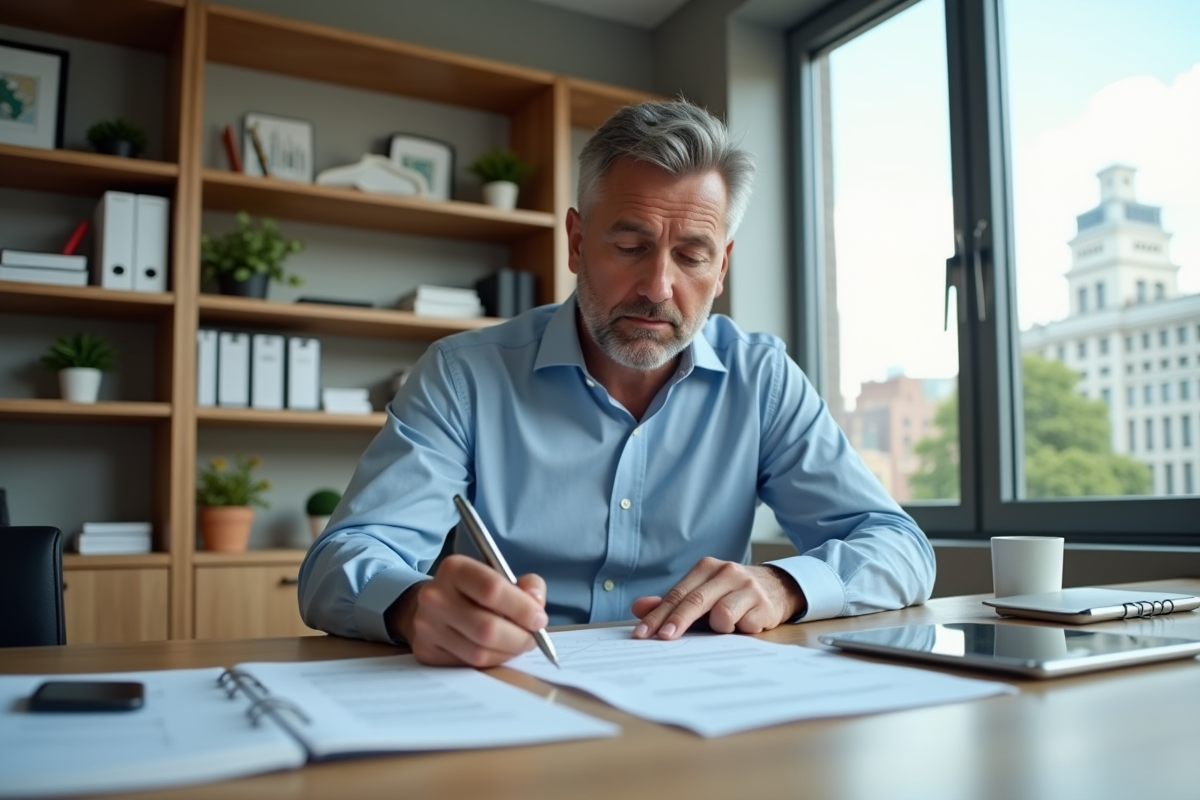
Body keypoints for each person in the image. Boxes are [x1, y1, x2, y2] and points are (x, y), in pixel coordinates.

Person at [298, 99, 935, 667]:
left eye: (691, 256)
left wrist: (785, 586)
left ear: (722, 268)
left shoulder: (761, 379)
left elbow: (900, 547)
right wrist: (413, 606)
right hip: (514, 698)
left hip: (702, 709)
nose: (659, 288)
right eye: (630, 246)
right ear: (576, 242)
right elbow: (341, 558)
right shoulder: (464, 375)